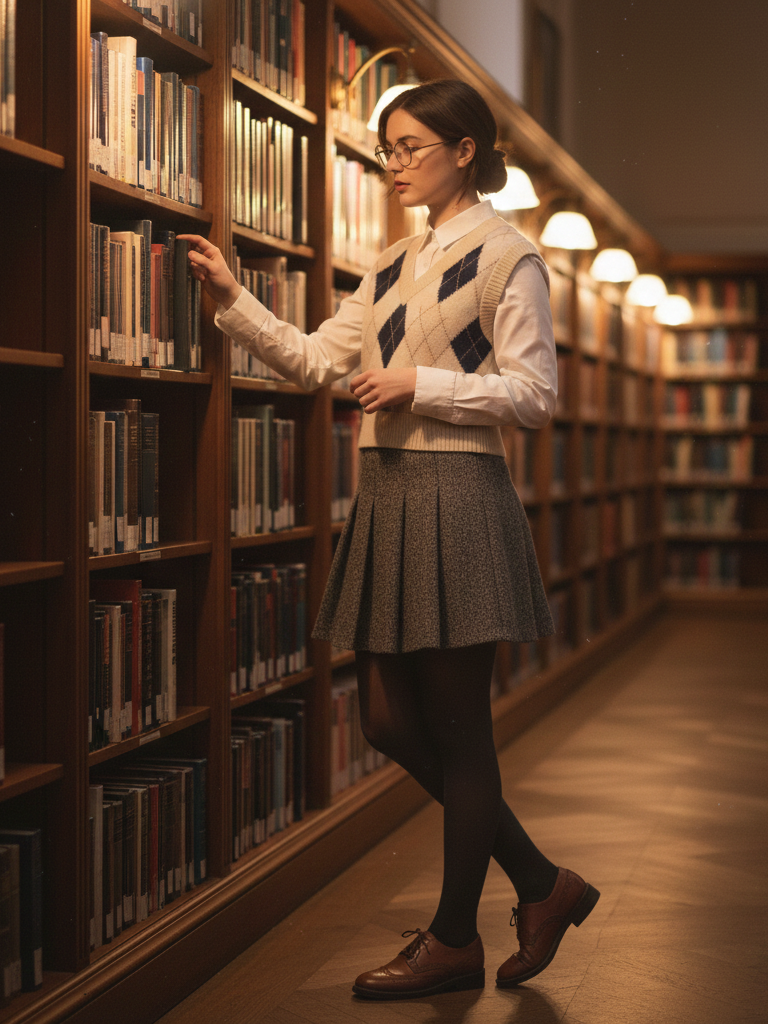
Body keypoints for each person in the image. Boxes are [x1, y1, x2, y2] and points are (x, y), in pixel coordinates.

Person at [179, 77, 599, 1000]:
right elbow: (315, 360)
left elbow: (535, 396)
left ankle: (454, 939)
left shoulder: (509, 257)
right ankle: (541, 884)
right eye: (389, 150)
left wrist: (422, 386)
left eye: (411, 147)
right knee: (385, 721)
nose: (395, 165)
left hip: (459, 496)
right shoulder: (392, 263)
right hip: (389, 497)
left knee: (460, 732)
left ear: (464, 150)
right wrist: (232, 296)